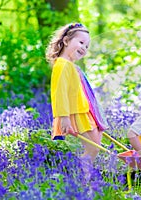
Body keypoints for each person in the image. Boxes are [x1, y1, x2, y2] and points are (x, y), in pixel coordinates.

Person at [46, 22, 108, 162]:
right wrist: (64, 117)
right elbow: (59, 93)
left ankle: (84, 176)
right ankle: (82, 177)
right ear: (66, 41)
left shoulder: (70, 66)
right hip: (76, 114)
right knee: (92, 148)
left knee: (95, 146)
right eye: (81, 42)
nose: (84, 48)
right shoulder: (62, 65)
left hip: (85, 112)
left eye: (87, 46)